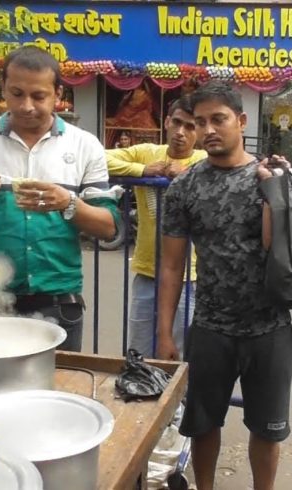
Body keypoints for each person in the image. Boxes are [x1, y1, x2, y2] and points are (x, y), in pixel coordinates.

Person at [0, 46, 118, 352]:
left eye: (39, 96)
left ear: (58, 94)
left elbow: (109, 226)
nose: (26, 105)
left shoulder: (85, 145)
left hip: (58, 302)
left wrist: (66, 203)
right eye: (16, 93)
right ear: (3, 87)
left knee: (54, 391)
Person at [157, 81, 292, 490]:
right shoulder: (185, 187)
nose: (209, 129)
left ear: (241, 121)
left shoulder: (269, 177)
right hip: (211, 327)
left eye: (219, 119)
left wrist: (275, 192)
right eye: (201, 122)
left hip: (269, 327)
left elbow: (278, 250)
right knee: (202, 424)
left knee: (268, 431)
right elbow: (171, 265)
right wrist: (165, 333)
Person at [106, 95, 207, 357]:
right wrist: (142, 170)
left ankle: (179, 399)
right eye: (177, 123)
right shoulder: (147, 152)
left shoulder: (203, 160)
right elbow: (99, 157)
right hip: (147, 271)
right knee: (139, 351)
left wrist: (184, 176)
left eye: (190, 126)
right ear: (166, 122)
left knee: (180, 353)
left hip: (188, 276)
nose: (181, 133)